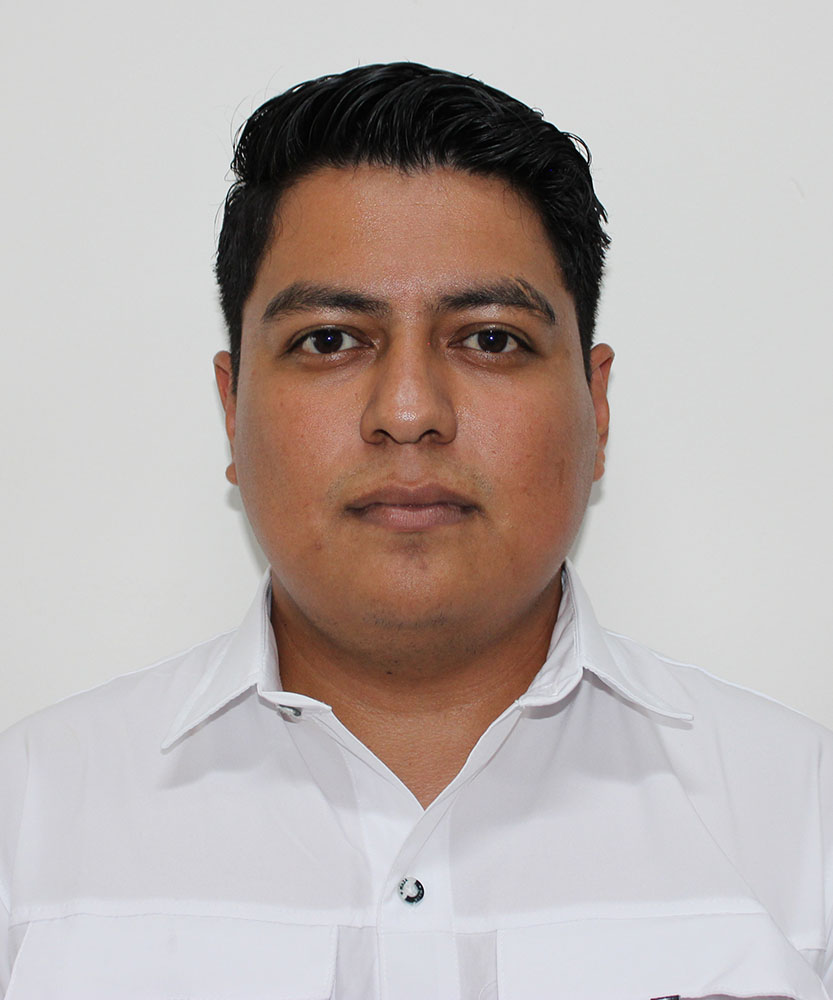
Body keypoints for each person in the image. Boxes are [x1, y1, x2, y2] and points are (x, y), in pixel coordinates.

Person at [1, 62, 830, 999]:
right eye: (327, 339)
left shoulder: (801, 819)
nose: (407, 412)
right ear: (232, 409)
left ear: (595, 408)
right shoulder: (29, 820)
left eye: (489, 338)